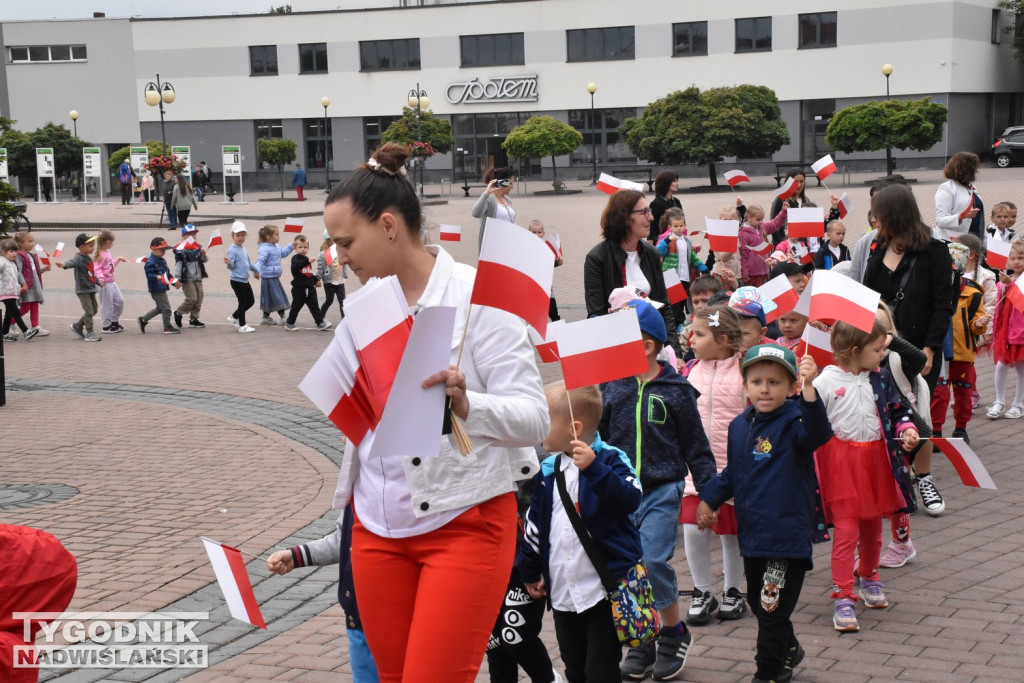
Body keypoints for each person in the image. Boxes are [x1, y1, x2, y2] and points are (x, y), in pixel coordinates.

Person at [322, 142, 549, 683]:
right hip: (375, 529)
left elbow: (535, 418)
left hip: (463, 523)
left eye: (346, 242)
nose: (340, 257)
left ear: (389, 225)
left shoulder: (481, 298)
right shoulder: (362, 308)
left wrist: (469, 404)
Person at [696, 345, 832, 683]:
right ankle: (790, 649)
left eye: (774, 382)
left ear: (791, 387)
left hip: (785, 539)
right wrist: (709, 499)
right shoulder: (740, 426)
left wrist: (811, 389)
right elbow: (732, 473)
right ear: (744, 386)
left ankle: (767, 672)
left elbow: (817, 434)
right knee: (761, 605)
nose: (765, 389)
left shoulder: (797, 419)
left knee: (771, 609)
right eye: (756, 381)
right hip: (754, 536)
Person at [599, 299, 716, 681]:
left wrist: (709, 495)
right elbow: (596, 437)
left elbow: (697, 447)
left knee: (651, 561)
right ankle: (642, 639)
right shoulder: (610, 386)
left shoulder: (676, 389)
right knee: (627, 568)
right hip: (618, 493)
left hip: (661, 489)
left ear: (646, 346)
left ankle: (672, 631)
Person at [520, 381, 641, 683]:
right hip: (563, 590)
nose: (539, 429)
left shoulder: (611, 459)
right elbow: (535, 526)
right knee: (575, 667)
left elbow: (630, 499)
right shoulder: (548, 470)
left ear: (574, 427)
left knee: (600, 671)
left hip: (602, 590)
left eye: (544, 421)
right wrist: (530, 570)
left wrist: (595, 469)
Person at [812, 316, 919, 632]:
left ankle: (870, 575)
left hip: (876, 462)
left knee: (873, 527)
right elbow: (808, 420)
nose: (882, 355)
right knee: (847, 531)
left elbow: (899, 411)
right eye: (877, 349)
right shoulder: (824, 382)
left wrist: (907, 429)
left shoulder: (881, 378)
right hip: (841, 467)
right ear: (856, 350)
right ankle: (843, 594)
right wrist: (803, 389)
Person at [861, 184, 955, 514]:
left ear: (894, 214)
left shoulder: (934, 250)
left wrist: (931, 348)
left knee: (919, 414)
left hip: (918, 350)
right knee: (884, 412)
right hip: (880, 348)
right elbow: (866, 298)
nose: (875, 219)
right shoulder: (878, 246)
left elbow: (944, 305)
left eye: (879, 213)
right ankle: (893, 479)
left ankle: (924, 477)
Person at [679, 306, 747, 624]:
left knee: (730, 535)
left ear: (722, 339)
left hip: (732, 469)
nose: (692, 338)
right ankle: (702, 590)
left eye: (700, 333)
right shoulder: (692, 370)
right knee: (693, 529)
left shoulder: (745, 370)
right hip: (697, 468)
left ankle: (733, 591)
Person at [266, 506, 380, 683]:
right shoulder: (354, 489)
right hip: (356, 621)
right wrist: (295, 556)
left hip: (392, 620)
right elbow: (341, 540)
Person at [487, 445, 560, 683]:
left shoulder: (537, 461)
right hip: (487, 565)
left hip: (525, 568)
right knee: (494, 643)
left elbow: (550, 520)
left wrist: (539, 566)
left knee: (515, 636)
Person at [584, 189, 682, 356]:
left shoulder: (651, 253)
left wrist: (675, 353)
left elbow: (663, 306)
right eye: (644, 212)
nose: (651, 217)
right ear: (624, 218)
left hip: (653, 347)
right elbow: (596, 313)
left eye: (649, 211)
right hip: (619, 349)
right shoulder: (597, 258)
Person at [873, 303, 930, 569]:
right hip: (869, 438)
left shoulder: (895, 361)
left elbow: (920, 360)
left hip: (900, 433)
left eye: (878, 339)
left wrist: (893, 342)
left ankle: (903, 543)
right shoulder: (854, 364)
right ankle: (867, 545)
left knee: (898, 491)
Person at [930, 243, 987, 443]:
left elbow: (976, 324)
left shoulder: (973, 294)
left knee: (963, 392)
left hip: (963, 352)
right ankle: (936, 430)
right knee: (939, 392)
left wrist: (979, 324)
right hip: (939, 352)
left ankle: (961, 428)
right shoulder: (933, 289)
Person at [986, 239, 1024, 420]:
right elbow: (999, 304)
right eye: (1013, 258)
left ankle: (1018, 403)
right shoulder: (1005, 280)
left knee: (1021, 368)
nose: (1016, 262)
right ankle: (999, 400)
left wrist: (1010, 285)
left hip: (1021, 331)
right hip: (1006, 331)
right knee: (1001, 365)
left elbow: (1018, 297)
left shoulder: (1019, 282)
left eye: (1021, 258)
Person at [656, 209, 707, 326]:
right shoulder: (668, 239)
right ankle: (673, 323)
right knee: (674, 301)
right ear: (670, 227)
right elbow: (659, 252)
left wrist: (702, 267)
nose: (678, 228)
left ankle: (679, 323)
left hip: (684, 276)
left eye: (681, 226)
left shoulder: (687, 241)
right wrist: (666, 241)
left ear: (685, 226)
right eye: (675, 226)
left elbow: (693, 257)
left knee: (682, 300)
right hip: (671, 276)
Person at [55, 233, 101, 342]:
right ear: (82, 247)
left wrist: (98, 282)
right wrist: (64, 264)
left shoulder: (87, 258)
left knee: (94, 310)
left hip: (90, 288)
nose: (93, 248)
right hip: (83, 290)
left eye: (93, 245)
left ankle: (78, 325)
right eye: (90, 246)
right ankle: (90, 332)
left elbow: (90, 273)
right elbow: (72, 262)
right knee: (89, 311)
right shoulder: (79, 258)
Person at [285, 234, 331, 331]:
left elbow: (308, 274)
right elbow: (296, 267)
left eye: (305, 247)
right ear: (295, 248)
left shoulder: (306, 259)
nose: (303, 249)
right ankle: (289, 323)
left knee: (314, 307)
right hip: (299, 289)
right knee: (296, 307)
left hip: (310, 289)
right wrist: (308, 262)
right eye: (300, 247)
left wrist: (315, 281)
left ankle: (320, 323)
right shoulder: (295, 259)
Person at [935, 151, 983, 239]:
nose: (976, 171)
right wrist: (962, 216)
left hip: (975, 238)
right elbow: (940, 221)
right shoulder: (946, 188)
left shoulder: (971, 187)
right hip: (955, 241)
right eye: (974, 168)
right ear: (965, 170)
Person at [138, 237, 181, 334]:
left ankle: (143, 319)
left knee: (160, 308)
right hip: (156, 289)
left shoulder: (162, 260)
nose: (164, 252)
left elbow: (167, 275)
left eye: (165, 250)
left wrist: (175, 282)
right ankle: (167, 327)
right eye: (162, 250)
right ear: (153, 249)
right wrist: (158, 277)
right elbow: (149, 275)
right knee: (166, 308)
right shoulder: (150, 262)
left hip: (162, 287)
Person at [739, 204, 788, 286]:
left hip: (764, 271)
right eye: (758, 219)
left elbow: (775, 223)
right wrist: (745, 273)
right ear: (749, 217)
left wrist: (784, 211)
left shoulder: (762, 227)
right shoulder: (743, 234)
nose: (761, 222)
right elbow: (743, 255)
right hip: (752, 274)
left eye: (762, 219)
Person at [224, 220, 259, 333]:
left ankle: (234, 317)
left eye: (242, 235)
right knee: (243, 302)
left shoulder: (243, 248)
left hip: (244, 280)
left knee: (251, 301)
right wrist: (229, 262)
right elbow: (232, 267)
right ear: (232, 236)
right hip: (236, 281)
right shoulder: (232, 250)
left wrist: (256, 271)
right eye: (237, 235)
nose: (240, 237)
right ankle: (242, 325)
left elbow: (248, 263)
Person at [13, 231, 49, 337]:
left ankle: (35, 326)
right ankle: (10, 322)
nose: (32, 243)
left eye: (33, 241)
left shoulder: (30, 255)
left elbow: (33, 271)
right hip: (27, 286)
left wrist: (43, 269)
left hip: (34, 285)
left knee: (35, 306)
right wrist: (23, 284)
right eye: (29, 241)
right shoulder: (19, 256)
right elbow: (18, 271)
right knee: (25, 307)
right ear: (20, 243)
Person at [172, 225, 209, 329]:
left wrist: (204, 255)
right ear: (183, 236)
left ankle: (194, 319)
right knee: (192, 299)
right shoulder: (181, 250)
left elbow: (204, 261)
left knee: (199, 299)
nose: (192, 236)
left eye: (194, 233)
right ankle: (178, 313)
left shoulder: (198, 247)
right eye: (189, 234)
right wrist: (177, 279)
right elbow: (178, 265)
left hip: (198, 278)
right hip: (187, 279)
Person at [472, 167, 516, 251]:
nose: (512, 187)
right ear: (502, 183)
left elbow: (513, 221)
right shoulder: (489, 199)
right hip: (493, 247)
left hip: (509, 244)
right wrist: (486, 193)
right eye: (510, 183)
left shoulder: (508, 199)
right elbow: (475, 213)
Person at [255, 224, 293, 326]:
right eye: (276, 234)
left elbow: (283, 253)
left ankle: (265, 317)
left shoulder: (275, 246)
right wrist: (256, 270)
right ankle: (283, 317)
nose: (278, 236)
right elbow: (260, 261)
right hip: (268, 278)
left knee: (269, 298)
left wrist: (291, 245)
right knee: (277, 296)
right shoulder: (264, 249)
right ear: (268, 237)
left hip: (273, 276)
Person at [93, 229, 127, 333]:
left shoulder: (107, 252)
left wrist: (118, 259)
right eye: (112, 241)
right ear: (108, 242)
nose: (112, 243)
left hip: (112, 282)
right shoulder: (100, 255)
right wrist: (101, 279)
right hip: (105, 284)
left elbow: (109, 266)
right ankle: (106, 326)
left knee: (120, 301)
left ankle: (114, 321)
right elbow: (97, 269)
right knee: (107, 305)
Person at [528, 219, 563, 322]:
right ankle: (536, 327)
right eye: (533, 232)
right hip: (534, 285)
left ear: (543, 234)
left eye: (539, 232)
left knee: (552, 307)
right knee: (537, 311)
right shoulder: (528, 247)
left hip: (547, 285)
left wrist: (557, 262)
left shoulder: (546, 248)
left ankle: (557, 327)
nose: (536, 234)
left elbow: (547, 263)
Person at [769, 169, 814, 246]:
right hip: (785, 245)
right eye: (795, 182)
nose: (799, 185)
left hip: (802, 245)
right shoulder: (781, 200)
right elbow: (774, 225)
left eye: (801, 181)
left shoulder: (806, 200)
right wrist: (782, 244)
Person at [1, 239, 32, 342]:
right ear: (3, 252)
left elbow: (15, 277)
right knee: (16, 312)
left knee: (9, 314)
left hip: (12, 292)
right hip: (5, 292)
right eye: (11, 251)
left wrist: (20, 286)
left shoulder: (12, 263)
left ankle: (4, 334)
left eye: (15, 251)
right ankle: (26, 331)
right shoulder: (2, 261)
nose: (14, 253)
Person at [316, 231, 347, 322]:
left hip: (340, 281)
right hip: (329, 282)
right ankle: (320, 317)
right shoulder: (324, 254)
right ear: (330, 240)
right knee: (329, 301)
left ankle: (345, 320)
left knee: (342, 302)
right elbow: (320, 268)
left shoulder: (340, 250)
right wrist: (316, 279)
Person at [711, 205, 742, 290]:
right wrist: (732, 249)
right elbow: (723, 258)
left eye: (731, 221)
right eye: (725, 221)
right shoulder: (718, 236)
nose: (728, 224)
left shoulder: (735, 234)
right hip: (722, 275)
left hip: (735, 274)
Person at [648, 170, 682, 243]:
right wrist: (651, 251)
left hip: (677, 242)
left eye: (677, 181)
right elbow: (652, 229)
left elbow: (682, 223)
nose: (677, 184)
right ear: (665, 183)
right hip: (662, 243)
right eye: (674, 181)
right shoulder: (656, 203)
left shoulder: (676, 201)